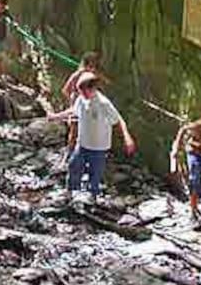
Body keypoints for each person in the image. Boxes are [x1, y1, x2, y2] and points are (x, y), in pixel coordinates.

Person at [47, 72, 136, 205]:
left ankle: (93, 197)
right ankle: (70, 192)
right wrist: (56, 116)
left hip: (99, 147)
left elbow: (119, 121)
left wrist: (127, 139)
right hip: (82, 144)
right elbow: (73, 110)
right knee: (73, 165)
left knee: (96, 173)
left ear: (93, 88)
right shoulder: (82, 99)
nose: (82, 95)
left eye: (84, 92)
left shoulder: (104, 104)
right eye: (80, 92)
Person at [60, 52, 104, 164]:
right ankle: (69, 154)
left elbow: (105, 83)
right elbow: (65, 90)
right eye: (93, 64)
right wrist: (74, 99)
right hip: (79, 108)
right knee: (74, 131)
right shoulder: (77, 75)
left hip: (90, 108)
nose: (94, 67)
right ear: (87, 64)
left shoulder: (93, 76)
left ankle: (84, 156)